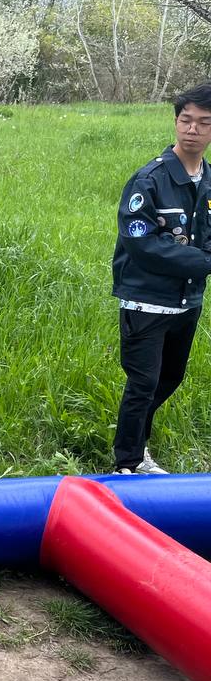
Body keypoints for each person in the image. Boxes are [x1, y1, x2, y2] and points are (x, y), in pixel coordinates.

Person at [111, 82, 211, 474]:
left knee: (170, 377)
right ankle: (128, 462)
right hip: (146, 300)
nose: (192, 129)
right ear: (175, 122)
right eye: (186, 120)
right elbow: (142, 244)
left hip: (187, 300)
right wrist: (203, 261)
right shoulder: (149, 180)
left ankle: (135, 439)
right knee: (143, 383)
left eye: (203, 122)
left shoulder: (208, 181)